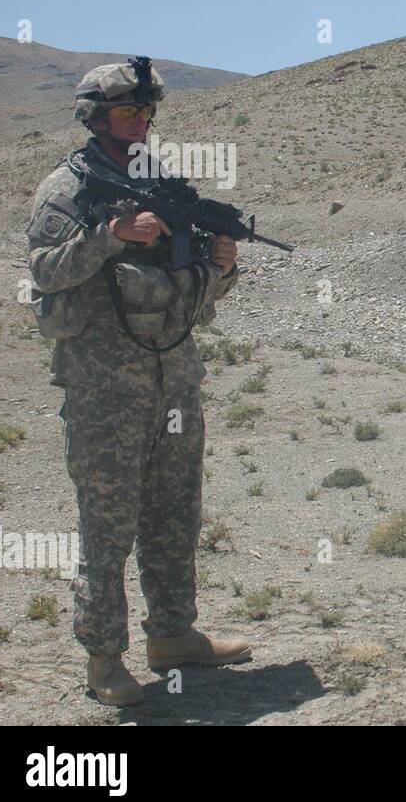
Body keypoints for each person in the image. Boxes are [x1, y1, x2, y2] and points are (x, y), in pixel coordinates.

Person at [26, 58, 251, 705]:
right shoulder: (65, 191)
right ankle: (104, 661)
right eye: (129, 112)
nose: (141, 124)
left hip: (173, 379)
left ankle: (174, 634)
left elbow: (192, 299)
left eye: (147, 113)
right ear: (95, 118)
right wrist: (109, 235)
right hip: (104, 390)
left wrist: (221, 268)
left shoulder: (168, 188)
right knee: (108, 524)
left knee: (176, 513)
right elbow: (44, 271)